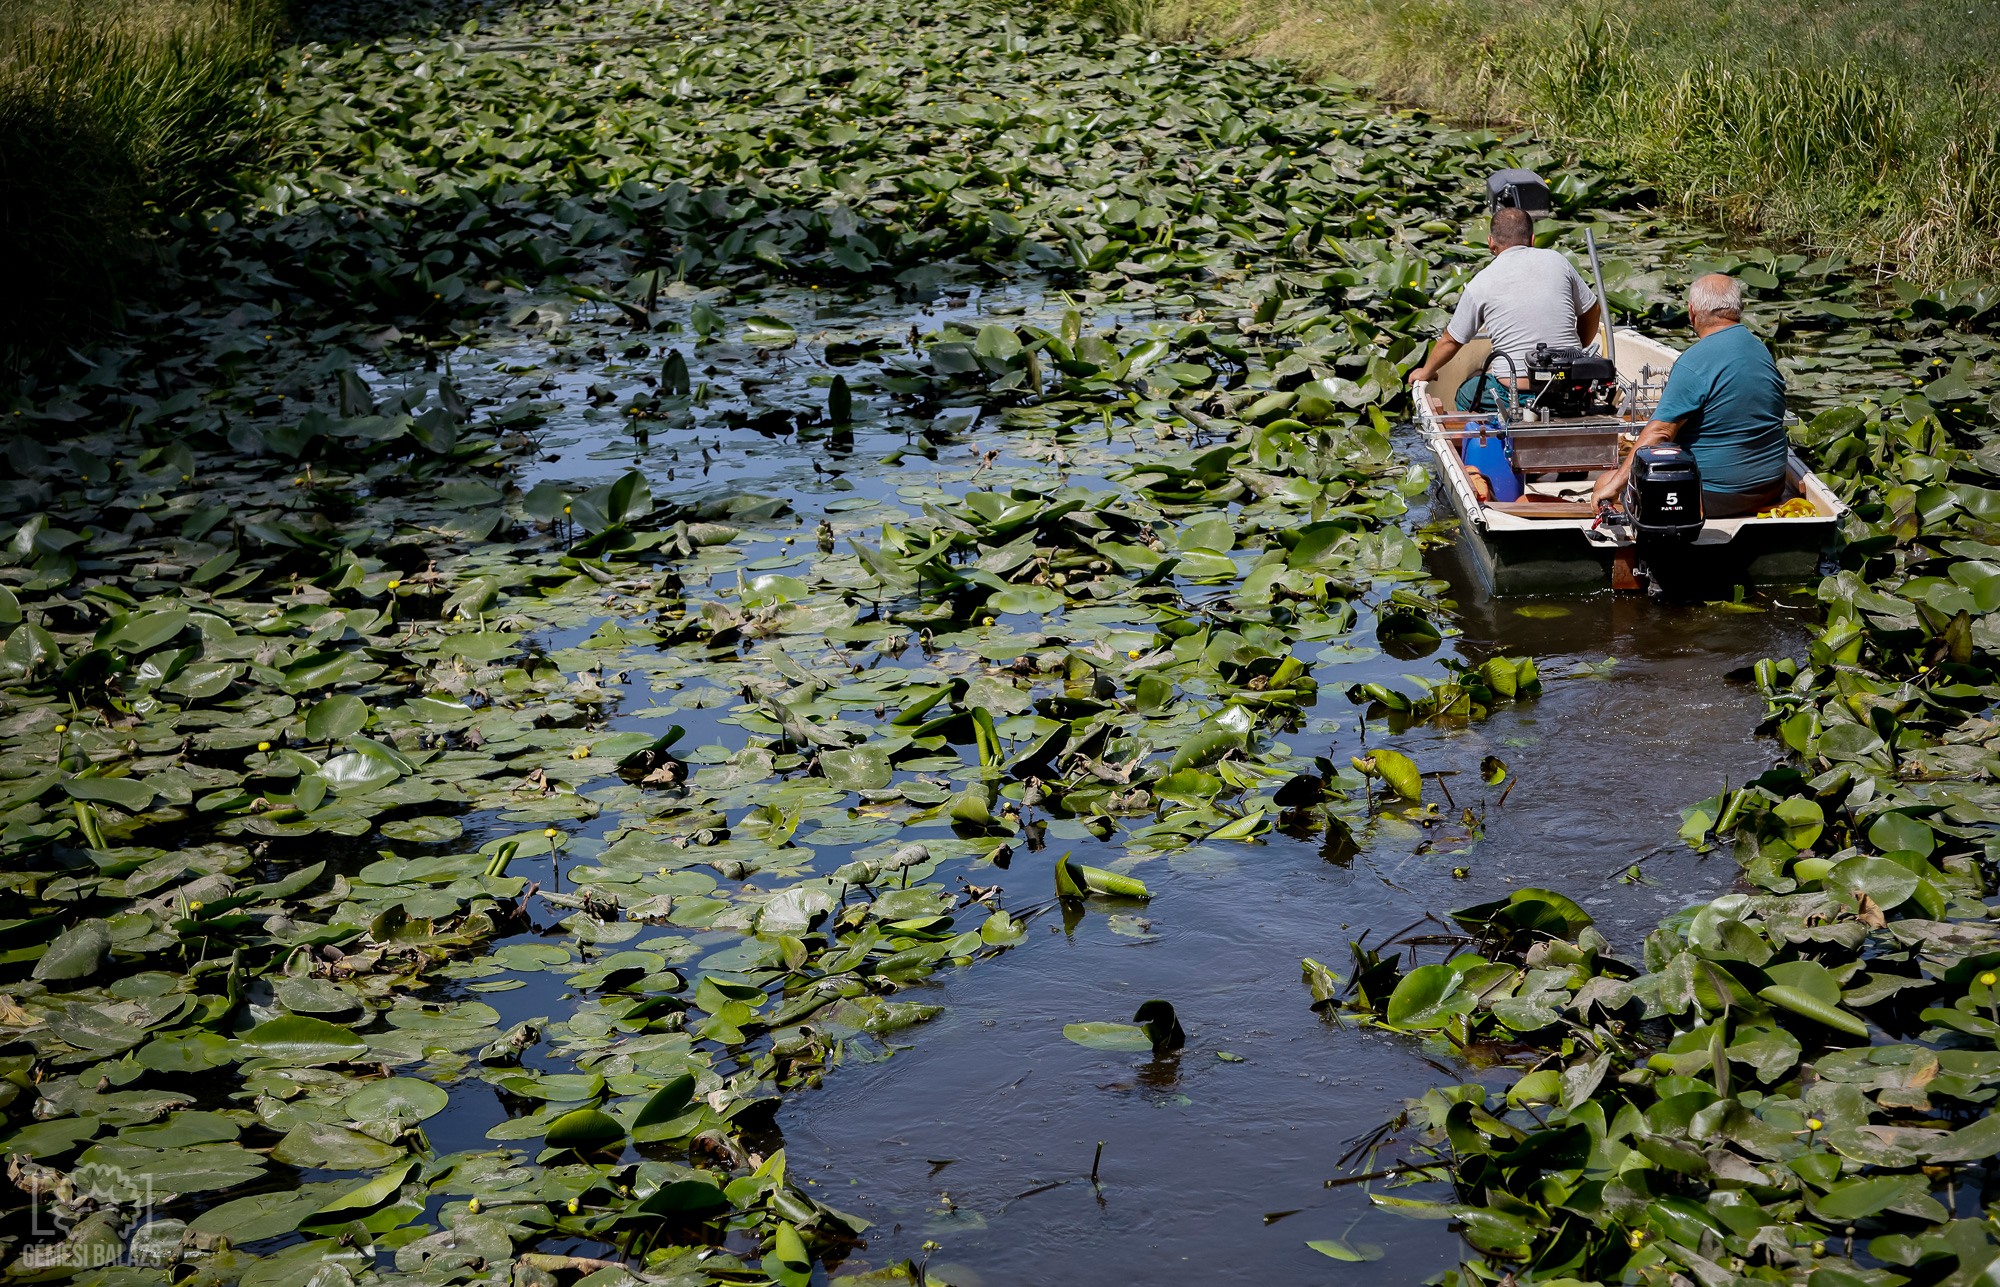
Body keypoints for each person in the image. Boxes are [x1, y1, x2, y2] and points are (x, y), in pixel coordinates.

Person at [1590, 274, 1788, 518]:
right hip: (1770, 487)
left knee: (1604, 484)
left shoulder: (1694, 361)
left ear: (1692, 312)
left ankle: (1635, 553)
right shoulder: (1761, 351)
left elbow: (1660, 433)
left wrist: (1614, 485)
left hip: (1714, 494)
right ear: (1739, 309)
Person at [1406, 206, 1601, 412]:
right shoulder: (1558, 261)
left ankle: (1480, 439)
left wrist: (1426, 371)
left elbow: (1451, 340)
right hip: (1571, 386)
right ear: (1532, 239)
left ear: (1491, 243)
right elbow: (1593, 309)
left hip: (1515, 394)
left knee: (1466, 393)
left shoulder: (1480, 282)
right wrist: (1575, 352)